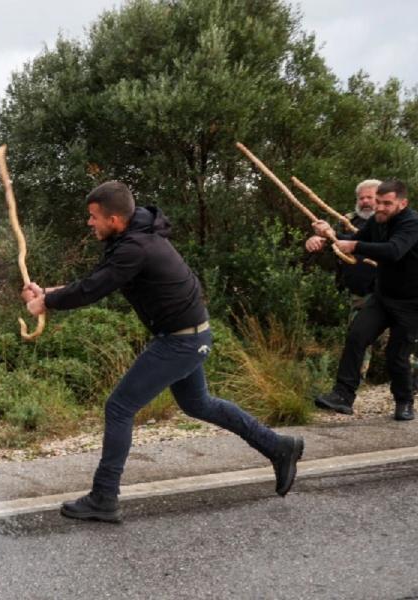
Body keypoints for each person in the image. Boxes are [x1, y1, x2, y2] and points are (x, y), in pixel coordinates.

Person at [21, 181, 304, 523]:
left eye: (94, 217)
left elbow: (94, 289)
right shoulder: (132, 237)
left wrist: (47, 302)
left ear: (114, 218)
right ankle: (278, 446)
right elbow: (100, 279)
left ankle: (104, 496)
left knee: (119, 407)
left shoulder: (135, 246)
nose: (89, 223)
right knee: (198, 404)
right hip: (186, 336)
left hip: (181, 341)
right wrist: (46, 293)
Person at [310, 180, 418, 421]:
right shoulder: (377, 221)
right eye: (378, 202)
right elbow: (355, 239)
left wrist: (356, 244)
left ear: (403, 203)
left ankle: (404, 401)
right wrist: (328, 235)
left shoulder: (411, 223)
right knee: (357, 336)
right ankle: (343, 396)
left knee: (396, 356)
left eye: (386, 203)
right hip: (383, 297)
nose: (379, 207)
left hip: (411, 304)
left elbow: (393, 250)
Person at [305, 179, 380, 378]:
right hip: (360, 292)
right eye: (361, 197)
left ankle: (410, 384)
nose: (365, 201)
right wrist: (317, 240)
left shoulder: (392, 220)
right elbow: (331, 240)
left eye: (369, 197)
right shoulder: (347, 220)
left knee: (401, 341)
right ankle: (352, 385)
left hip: (392, 290)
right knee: (358, 337)